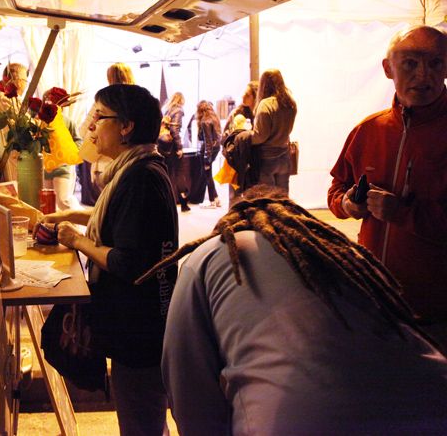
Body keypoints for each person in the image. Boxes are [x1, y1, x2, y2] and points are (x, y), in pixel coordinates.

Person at [139, 186, 447, 436]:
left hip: (308, 420)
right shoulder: (349, 257)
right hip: (433, 399)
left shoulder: (212, 254)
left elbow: (189, 388)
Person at [44, 84, 178, 436]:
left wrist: (77, 241)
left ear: (126, 126)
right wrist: (72, 217)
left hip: (139, 327)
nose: (91, 127)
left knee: (140, 420)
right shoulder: (140, 168)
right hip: (143, 321)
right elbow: (124, 227)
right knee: (144, 414)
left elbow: (129, 263)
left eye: (99, 116)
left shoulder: (140, 178)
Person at [328, 24, 447, 349]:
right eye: (410, 63)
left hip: (436, 311)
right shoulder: (368, 131)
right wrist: (349, 205)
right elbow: (337, 191)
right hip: (373, 300)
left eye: (435, 63)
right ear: (387, 68)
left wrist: (403, 213)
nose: (424, 75)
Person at [78, 62, 137, 204]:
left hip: (105, 165)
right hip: (132, 162)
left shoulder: (103, 102)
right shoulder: (138, 101)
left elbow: (82, 130)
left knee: (109, 210)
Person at [249, 69, 297, 193]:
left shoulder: (265, 104)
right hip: (284, 157)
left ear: (264, 84)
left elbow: (260, 136)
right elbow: (289, 130)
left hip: (267, 159)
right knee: (283, 199)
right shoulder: (290, 103)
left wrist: (245, 136)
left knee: (269, 199)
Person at [160, 92, 190, 211]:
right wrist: (179, 147)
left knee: (169, 173)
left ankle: (169, 202)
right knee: (179, 173)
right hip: (172, 146)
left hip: (164, 146)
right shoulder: (178, 111)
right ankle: (183, 202)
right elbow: (175, 129)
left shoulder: (167, 110)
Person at [194, 100, 221, 208]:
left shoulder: (205, 121)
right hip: (215, 149)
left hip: (207, 151)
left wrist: (206, 159)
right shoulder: (214, 119)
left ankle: (212, 200)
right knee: (208, 174)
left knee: (208, 174)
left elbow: (208, 142)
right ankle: (216, 198)